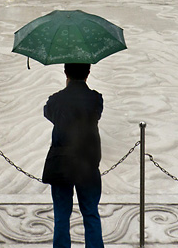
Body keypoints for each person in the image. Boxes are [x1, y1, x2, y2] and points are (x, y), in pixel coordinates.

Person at [42, 63, 104, 248]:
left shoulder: (56, 100)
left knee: (61, 215)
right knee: (91, 212)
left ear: (65, 73)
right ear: (88, 73)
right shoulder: (95, 98)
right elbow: (96, 115)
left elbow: (49, 114)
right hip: (87, 162)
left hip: (61, 162)